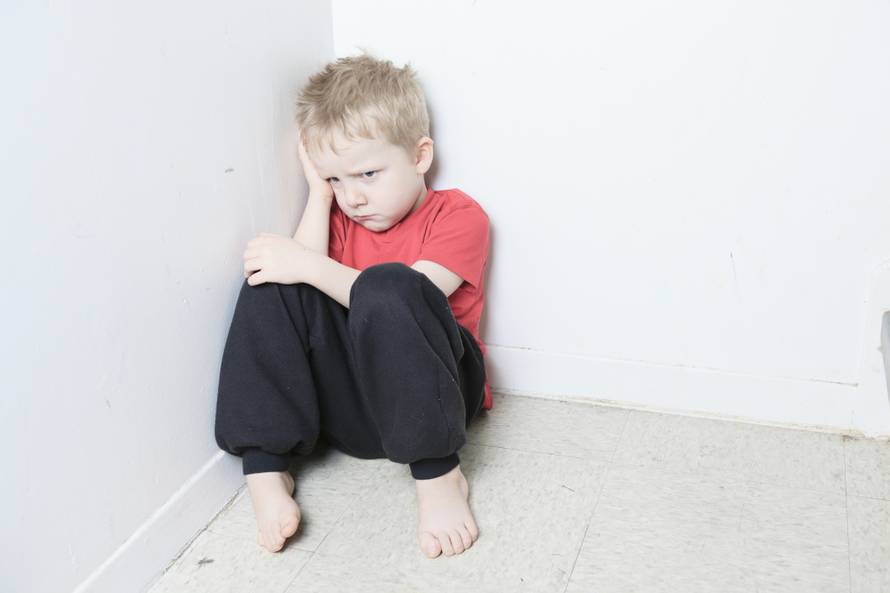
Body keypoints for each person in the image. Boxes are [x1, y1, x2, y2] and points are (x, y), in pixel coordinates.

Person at [213, 52, 492, 560]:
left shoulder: (459, 215)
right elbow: (296, 292)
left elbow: (416, 298)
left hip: (437, 395)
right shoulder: (341, 217)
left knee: (391, 285)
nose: (354, 198)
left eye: (367, 173)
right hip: (357, 408)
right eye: (337, 181)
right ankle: (266, 467)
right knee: (271, 278)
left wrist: (305, 265)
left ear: (420, 155)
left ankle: (439, 477)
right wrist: (318, 198)